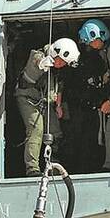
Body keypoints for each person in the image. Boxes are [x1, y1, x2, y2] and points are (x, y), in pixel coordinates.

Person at [15, 37, 79, 177]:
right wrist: (42, 64)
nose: (61, 65)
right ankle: (32, 168)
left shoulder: (58, 68)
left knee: (55, 131)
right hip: (27, 99)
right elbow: (33, 68)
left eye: (64, 63)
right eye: (61, 61)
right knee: (36, 130)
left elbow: (59, 86)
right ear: (56, 53)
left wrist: (58, 106)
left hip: (44, 101)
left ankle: (53, 164)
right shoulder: (39, 56)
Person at [77, 19, 110, 172]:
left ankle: (109, 165)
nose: (89, 45)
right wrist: (107, 75)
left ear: (98, 36)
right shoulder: (106, 51)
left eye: (90, 41)